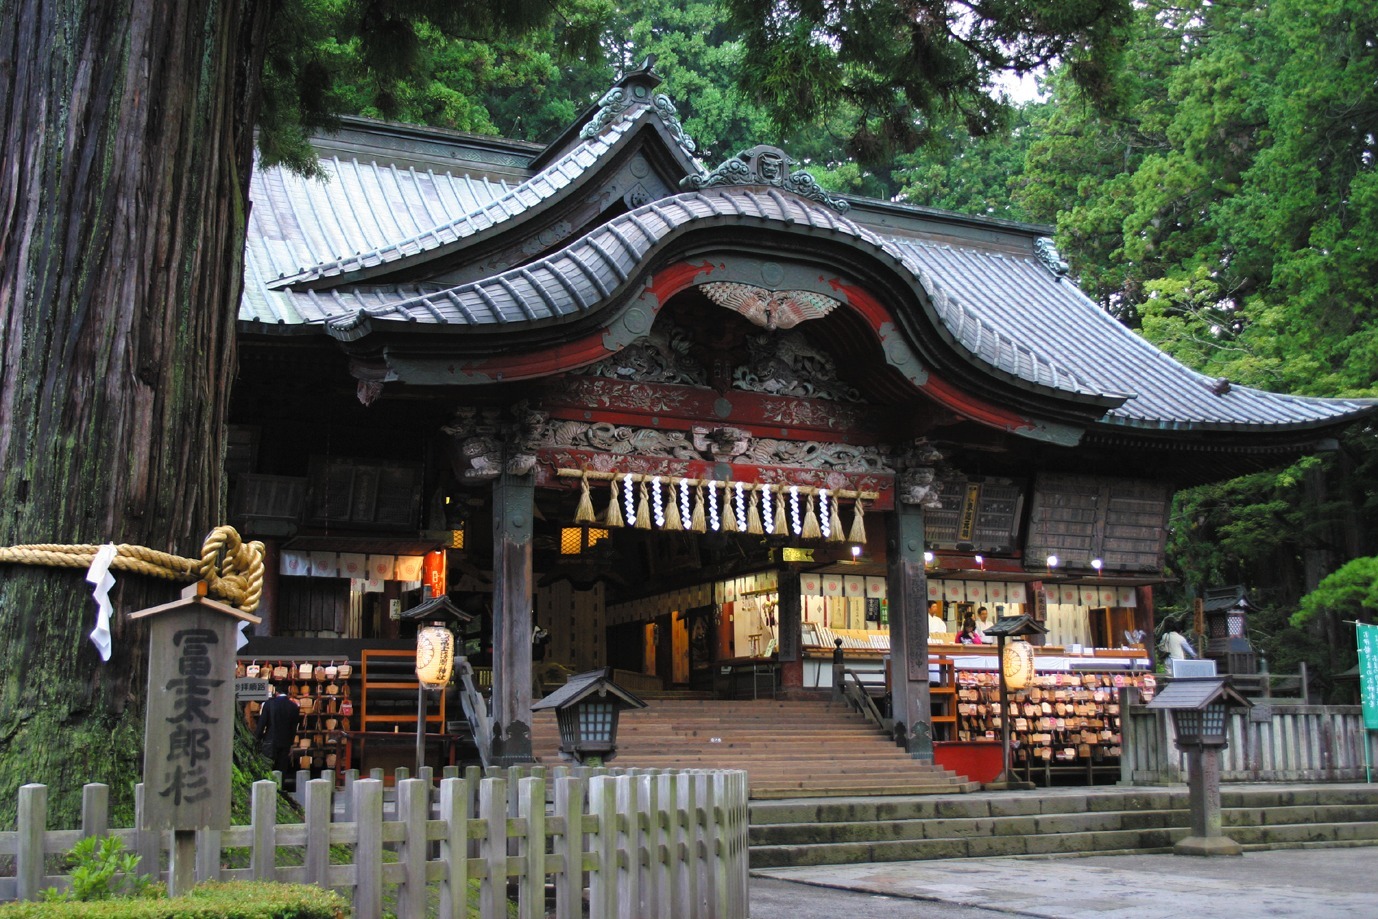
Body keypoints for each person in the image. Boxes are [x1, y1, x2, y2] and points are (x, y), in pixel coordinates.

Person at [255, 684, 300, 781]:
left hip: (270, 740)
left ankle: (269, 787)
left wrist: (257, 738)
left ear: (276, 692)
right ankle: (280, 787)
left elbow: (262, 723)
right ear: (288, 692)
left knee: (268, 768)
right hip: (285, 742)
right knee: (282, 770)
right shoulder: (293, 706)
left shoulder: (269, 704)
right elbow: (293, 728)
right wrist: (291, 743)